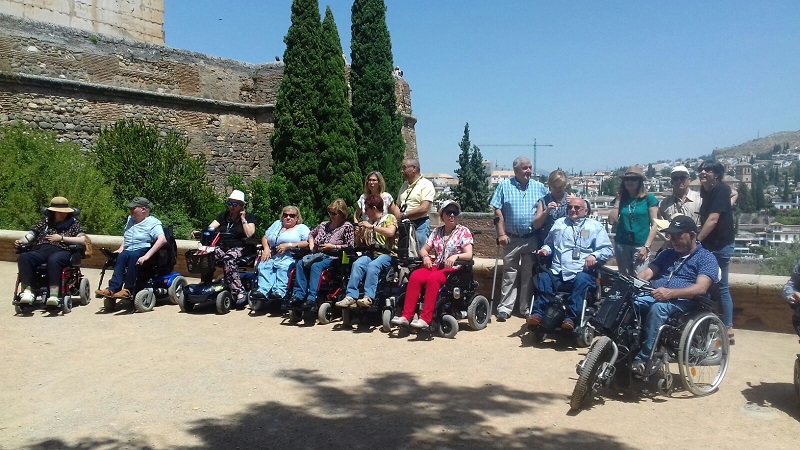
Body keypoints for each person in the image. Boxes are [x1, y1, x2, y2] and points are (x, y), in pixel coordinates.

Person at [631, 215, 720, 375]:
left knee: (659, 309)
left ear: (692, 235)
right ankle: (623, 347)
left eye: (678, 236)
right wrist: (633, 281)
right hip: (657, 294)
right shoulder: (667, 254)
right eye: (671, 236)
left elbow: (700, 288)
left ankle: (644, 359)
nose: (674, 240)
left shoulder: (706, 258)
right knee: (632, 301)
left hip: (686, 302)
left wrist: (670, 293)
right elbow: (647, 273)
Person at [527, 197, 613, 330]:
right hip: (558, 270)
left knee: (582, 280)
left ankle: (571, 318)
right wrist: (544, 250)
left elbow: (607, 249)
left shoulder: (595, 226)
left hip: (581, 271)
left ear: (586, 210)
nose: (573, 210)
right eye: (570, 207)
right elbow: (550, 244)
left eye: (577, 208)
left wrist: (594, 255)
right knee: (544, 277)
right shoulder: (559, 224)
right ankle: (538, 314)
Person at [390, 200, 473, 329]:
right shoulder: (437, 231)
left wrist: (456, 256)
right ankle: (406, 316)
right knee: (416, 276)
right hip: (437, 265)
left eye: (455, 212)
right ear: (442, 215)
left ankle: (425, 318)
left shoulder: (464, 231)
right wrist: (425, 256)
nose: (452, 215)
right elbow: (423, 249)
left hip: (454, 269)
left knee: (433, 279)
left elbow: (469, 254)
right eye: (448, 212)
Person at [490, 156, 549, 321]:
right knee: (509, 273)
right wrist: (501, 233)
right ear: (516, 170)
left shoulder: (539, 188)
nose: (528, 171)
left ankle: (525, 308)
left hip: (531, 238)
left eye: (530, 167)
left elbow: (549, 205)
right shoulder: (504, 186)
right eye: (525, 168)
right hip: (511, 238)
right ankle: (505, 308)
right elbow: (497, 211)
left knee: (529, 273)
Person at [15, 196, 87, 306]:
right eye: (59, 212)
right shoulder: (45, 222)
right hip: (42, 249)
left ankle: (54, 295)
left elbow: (82, 240)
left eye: (64, 212)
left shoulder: (73, 223)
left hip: (63, 250)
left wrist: (61, 238)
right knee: (24, 257)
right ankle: (28, 292)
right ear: (52, 212)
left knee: (54, 260)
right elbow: (31, 235)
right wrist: (21, 241)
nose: (63, 214)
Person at [696, 159, 736, 344]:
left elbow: (712, 219)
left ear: (717, 174)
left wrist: (697, 240)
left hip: (719, 246)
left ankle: (728, 327)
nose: (703, 172)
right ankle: (718, 324)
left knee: (721, 286)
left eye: (708, 170)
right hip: (712, 245)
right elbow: (731, 199)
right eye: (701, 169)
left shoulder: (719, 189)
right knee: (712, 286)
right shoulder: (709, 191)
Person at [95, 197, 166, 299]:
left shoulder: (153, 222)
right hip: (129, 250)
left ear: (143, 209)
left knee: (133, 256)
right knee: (121, 256)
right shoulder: (130, 220)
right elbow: (128, 237)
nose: (130, 211)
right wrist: (120, 249)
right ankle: (113, 289)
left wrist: (146, 256)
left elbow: (162, 240)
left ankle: (128, 289)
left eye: (133, 208)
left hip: (143, 249)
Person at [290, 199, 354, 309]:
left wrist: (332, 246)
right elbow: (311, 234)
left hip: (334, 257)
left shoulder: (346, 226)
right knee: (300, 263)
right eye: (330, 212)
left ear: (342, 214)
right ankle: (299, 295)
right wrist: (311, 245)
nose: (331, 215)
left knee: (316, 266)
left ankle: (311, 298)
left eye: (334, 213)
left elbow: (350, 246)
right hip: (318, 254)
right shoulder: (324, 225)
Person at [337, 194, 398, 308]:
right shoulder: (369, 222)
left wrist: (372, 227)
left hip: (387, 254)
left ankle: (368, 297)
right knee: (357, 264)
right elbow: (360, 244)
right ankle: (351, 296)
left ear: (374, 208)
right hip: (371, 253)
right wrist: (359, 235)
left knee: (373, 266)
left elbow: (391, 232)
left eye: (366, 209)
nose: (364, 212)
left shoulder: (389, 218)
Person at [196, 190, 256, 305]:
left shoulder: (249, 217)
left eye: (235, 204)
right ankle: (206, 282)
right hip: (223, 246)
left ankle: (239, 291)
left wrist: (243, 219)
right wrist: (201, 232)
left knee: (228, 258)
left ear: (241, 205)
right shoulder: (223, 216)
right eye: (229, 204)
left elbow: (250, 234)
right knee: (207, 254)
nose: (231, 207)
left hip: (241, 247)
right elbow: (211, 228)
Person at [608, 166, 659, 277]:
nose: (630, 182)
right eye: (627, 179)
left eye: (634, 179)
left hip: (641, 245)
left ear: (640, 182)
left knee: (639, 278)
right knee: (624, 277)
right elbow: (611, 221)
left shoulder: (649, 199)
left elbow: (655, 224)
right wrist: (618, 200)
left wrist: (646, 247)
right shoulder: (622, 200)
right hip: (622, 244)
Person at [256, 205, 310, 299]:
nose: (288, 217)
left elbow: (308, 242)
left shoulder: (302, 228)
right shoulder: (277, 224)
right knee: (264, 264)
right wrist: (266, 248)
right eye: (285, 215)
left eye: (292, 215)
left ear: (297, 218)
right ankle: (262, 291)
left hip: (290, 255)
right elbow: (265, 237)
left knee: (284, 267)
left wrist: (289, 245)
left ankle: (279, 292)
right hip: (273, 254)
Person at [391, 158, 435, 249]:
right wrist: (397, 216)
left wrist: (404, 215)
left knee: (419, 253)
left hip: (420, 225)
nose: (401, 171)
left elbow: (424, 208)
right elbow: (398, 205)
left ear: (414, 168)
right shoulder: (404, 185)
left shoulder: (426, 185)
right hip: (404, 225)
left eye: (404, 168)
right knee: (403, 253)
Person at [533, 169, 571, 245]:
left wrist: (574, 203)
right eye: (555, 186)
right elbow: (536, 225)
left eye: (560, 187)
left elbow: (580, 220)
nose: (557, 189)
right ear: (550, 185)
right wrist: (546, 211)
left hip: (566, 243)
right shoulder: (543, 201)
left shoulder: (570, 199)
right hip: (546, 243)